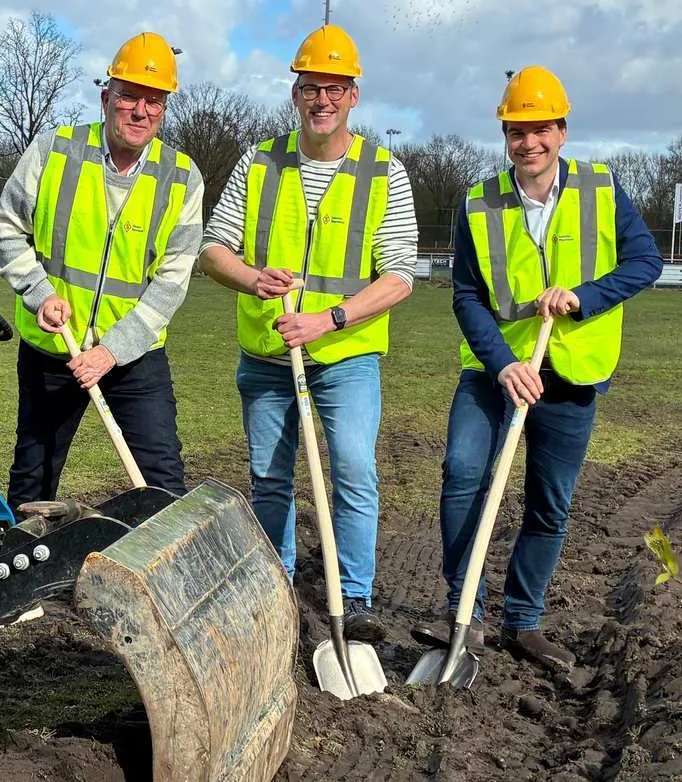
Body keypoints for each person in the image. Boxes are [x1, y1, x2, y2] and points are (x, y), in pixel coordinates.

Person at [411, 65, 663, 672]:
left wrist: (582, 297)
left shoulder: (601, 189)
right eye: (517, 131)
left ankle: (524, 622)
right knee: (462, 473)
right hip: (494, 373)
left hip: (572, 372)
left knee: (549, 504)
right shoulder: (478, 201)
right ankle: (462, 611)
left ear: (562, 131)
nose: (530, 142)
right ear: (505, 135)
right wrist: (501, 365)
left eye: (541, 129)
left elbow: (645, 261)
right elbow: (466, 295)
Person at [198, 23, 418, 642]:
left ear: (353, 95)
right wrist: (251, 279)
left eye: (334, 89)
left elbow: (400, 274)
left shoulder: (383, 170)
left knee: (351, 469)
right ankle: (276, 590)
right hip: (268, 354)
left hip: (346, 354)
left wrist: (329, 319)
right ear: (296, 94)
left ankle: (355, 597)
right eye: (310, 89)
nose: (322, 100)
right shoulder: (258, 160)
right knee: (270, 477)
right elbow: (215, 249)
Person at [0, 31, 205, 514]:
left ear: (165, 108)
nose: (140, 110)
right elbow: (6, 229)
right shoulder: (54, 151)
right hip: (54, 349)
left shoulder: (183, 177)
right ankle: (22, 583)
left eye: (154, 101)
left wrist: (112, 350)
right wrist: (39, 292)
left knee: (162, 484)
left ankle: (157, 584)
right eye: (129, 95)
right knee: (33, 478)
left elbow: (171, 284)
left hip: (134, 355)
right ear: (107, 97)